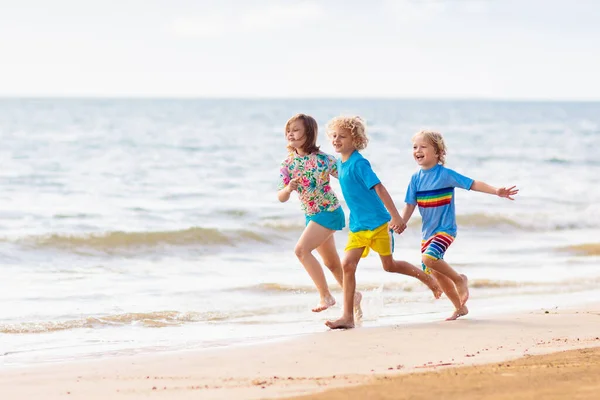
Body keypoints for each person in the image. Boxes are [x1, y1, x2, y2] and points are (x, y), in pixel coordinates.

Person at [324, 116, 442, 330]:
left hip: (378, 223)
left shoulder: (359, 163)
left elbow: (379, 188)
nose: (336, 139)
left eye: (342, 136)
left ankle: (429, 280)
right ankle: (347, 316)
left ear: (356, 140)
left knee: (389, 266)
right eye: (334, 136)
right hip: (358, 226)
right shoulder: (340, 164)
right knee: (347, 266)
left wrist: (396, 217)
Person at [401, 130, 519, 320]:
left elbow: (473, 184)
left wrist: (496, 191)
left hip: (445, 230)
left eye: (423, 146)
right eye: (415, 147)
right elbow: (410, 204)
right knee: (437, 274)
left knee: (428, 258)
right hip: (427, 233)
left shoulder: (445, 174)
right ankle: (459, 307)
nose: (417, 150)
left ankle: (459, 279)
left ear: (438, 153)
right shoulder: (415, 179)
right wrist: (401, 223)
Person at [278, 113, 360, 313]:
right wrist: (288, 189)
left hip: (329, 211)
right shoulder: (287, 164)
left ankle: (325, 296)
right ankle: (355, 300)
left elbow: (347, 177)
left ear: (309, 132)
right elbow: (281, 196)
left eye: (296, 129)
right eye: (288, 130)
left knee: (301, 250)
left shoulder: (323, 160)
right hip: (311, 215)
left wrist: (363, 201)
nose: (291, 133)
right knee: (331, 264)